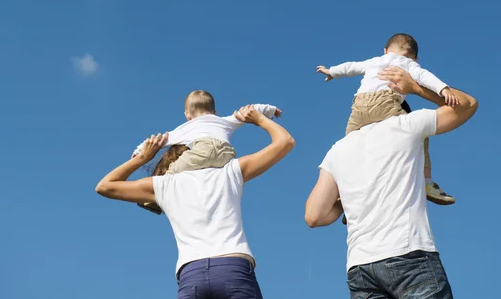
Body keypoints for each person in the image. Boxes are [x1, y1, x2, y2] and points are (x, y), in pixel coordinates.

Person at [305, 67, 478, 299]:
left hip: (361, 269)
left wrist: (351, 197)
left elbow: (314, 216)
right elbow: (467, 104)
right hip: (408, 256)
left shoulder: (338, 149)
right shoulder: (406, 125)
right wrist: (416, 88)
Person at [96, 105, 295, 299]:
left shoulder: (164, 185)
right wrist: (259, 119)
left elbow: (105, 186)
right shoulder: (229, 173)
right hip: (233, 268)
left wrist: (143, 158)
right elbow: (285, 142)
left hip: (191, 275)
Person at [316, 33, 457, 205]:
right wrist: (443, 89)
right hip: (385, 103)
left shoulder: (375, 61)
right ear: (415, 57)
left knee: (350, 148)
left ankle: (345, 196)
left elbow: (351, 67)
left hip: (358, 109)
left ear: (385, 51)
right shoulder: (408, 64)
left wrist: (331, 71)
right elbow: (425, 77)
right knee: (420, 135)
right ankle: (426, 183)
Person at [130, 90, 281, 214]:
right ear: (214, 112)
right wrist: (270, 109)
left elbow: (158, 140)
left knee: (172, 172)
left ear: (187, 115)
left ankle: (154, 199)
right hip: (226, 154)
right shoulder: (225, 120)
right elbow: (250, 109)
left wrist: (138, 153)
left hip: (203, 150)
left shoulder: (184, 128)